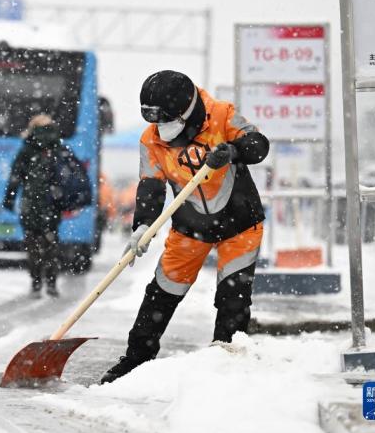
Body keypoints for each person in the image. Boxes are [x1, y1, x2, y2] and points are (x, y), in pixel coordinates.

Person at [101, 70, 269, 384]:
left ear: (187, 112)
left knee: (233, 295)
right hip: (190, 226)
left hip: (240, 223)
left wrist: (233, 151)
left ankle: (227, 362)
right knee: (162, 292)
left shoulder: (222, 115)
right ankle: (136, 359)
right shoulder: (150, 140)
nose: (162, 132)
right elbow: (150, 187)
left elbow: (259, 145)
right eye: (156, 123)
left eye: (168, 123)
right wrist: (142, 227)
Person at [3, 114, 64, 298]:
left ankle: (36, 282)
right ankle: (52, 283)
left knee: (33, 245)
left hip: (30, 204)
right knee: (51, 244)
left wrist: (9, 200)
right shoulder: (58, 147)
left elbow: (15, 178)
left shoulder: (27, 150)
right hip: (52, 204)